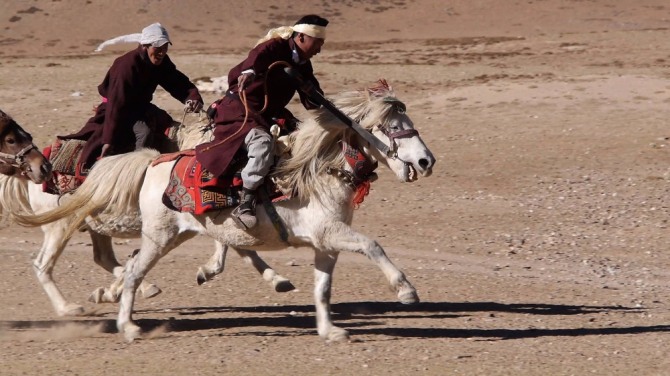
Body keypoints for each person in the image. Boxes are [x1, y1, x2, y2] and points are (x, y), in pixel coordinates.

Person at [196, 14, 329, 230]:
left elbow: (313, 101)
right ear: (302, 37)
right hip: (241, 111)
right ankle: (245, 203)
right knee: (263, 144)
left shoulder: (304, 65)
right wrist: (249, 72)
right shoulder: (275, 48)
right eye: (318, 42)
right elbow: (257, 58)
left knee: (302, 139)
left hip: (268, 115)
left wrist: (317, 98)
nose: (320, 49)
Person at [63, 22, 204, 175]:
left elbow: (177, 81)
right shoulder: (126, 66)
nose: (162, 52)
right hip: (118, 109)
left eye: (165, 47)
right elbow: (116, 104)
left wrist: (192, 97)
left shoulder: (161, 62)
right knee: (144, 132)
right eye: (158, 47)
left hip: (140, 108)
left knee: (169, 126)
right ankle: (133, 171)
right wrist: (108, 140)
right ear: (145, 46)